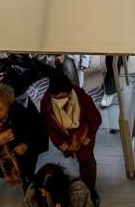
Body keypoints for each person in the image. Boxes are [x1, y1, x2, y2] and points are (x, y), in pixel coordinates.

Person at [40, 74, 102, 206]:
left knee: (87, 161)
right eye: (56, 98)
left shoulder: (83, 98)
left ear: (69, 93)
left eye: (62, 97)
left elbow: (95, 119)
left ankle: (90, 190)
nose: (59, 101)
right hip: (64, 138)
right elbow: (49, 127)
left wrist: (84, 140)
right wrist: (65, 146)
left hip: (83, 136)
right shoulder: (46, 102)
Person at [0, 84, 48, 190]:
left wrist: (27, 145)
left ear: (9, 107)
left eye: (0, 110)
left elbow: (40, 133)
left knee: (28, 182)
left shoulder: (23, 113)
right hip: (2, 166)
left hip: (25, 161)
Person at [23, 163, 94, 207]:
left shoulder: (78, 192)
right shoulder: (33, 193)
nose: (42, 195)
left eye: (45, 192)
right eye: (41, 191)